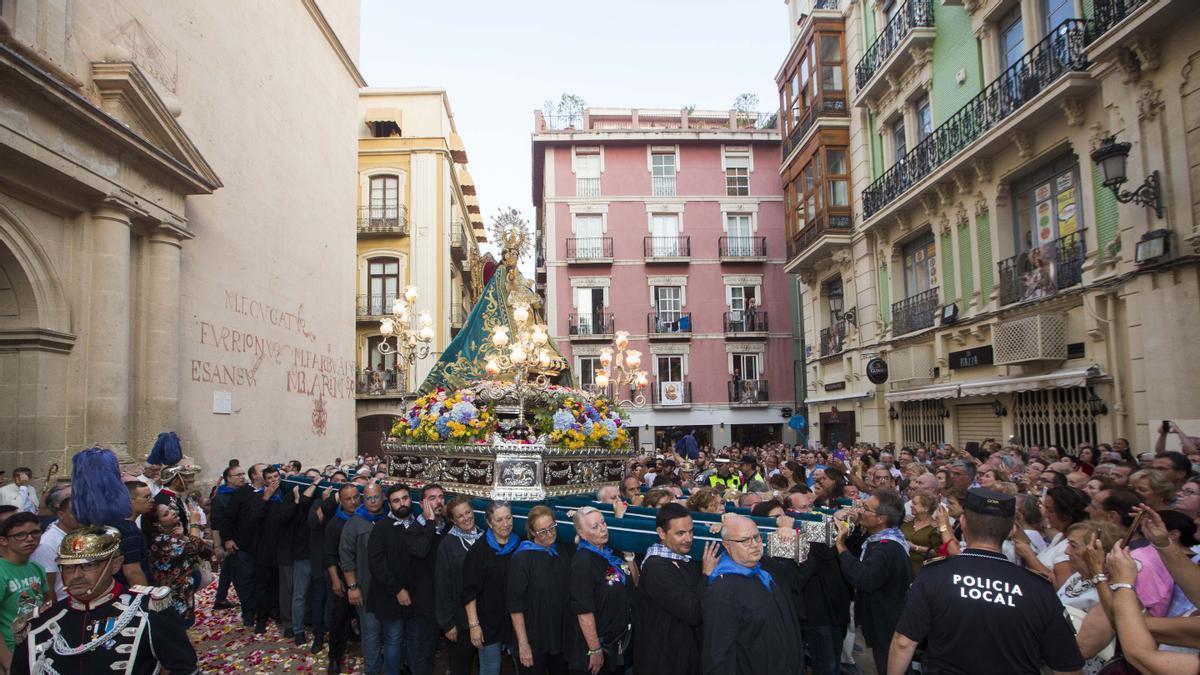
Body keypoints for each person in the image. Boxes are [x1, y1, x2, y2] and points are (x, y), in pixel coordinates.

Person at [886, 488, 1085, 675]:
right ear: (1011, 532)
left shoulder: (935, 575)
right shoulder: (1039, 589)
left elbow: (904, 642)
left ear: (963, 523)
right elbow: (1067, 665)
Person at [10, 525, 198, 675]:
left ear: (115, 565)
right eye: (68, 568)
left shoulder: (148, 610)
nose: (76, 576)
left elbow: (184, 668)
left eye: (88, 566)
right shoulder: (40, 623)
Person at [702, 514, 804, 675]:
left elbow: (801, 575)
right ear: (727, 546)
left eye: (756, 537)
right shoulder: (723, 589)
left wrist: (795, 540)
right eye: (744, 540)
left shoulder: (766, 569)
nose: (755, 544)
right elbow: (717, 654)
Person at [368, 484, 444, 675]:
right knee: (394, 639)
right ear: (390, 504)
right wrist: (397, 590)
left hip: (416, 598)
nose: (401, 503)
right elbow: (377, 564)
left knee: (414, 641)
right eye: (396, 500)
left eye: (405, 498)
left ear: (411, 500)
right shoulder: (382, 528)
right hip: (391, 596)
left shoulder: (418, 524)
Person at [835, 489, 913, 675]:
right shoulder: (885, 538)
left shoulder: (886, 548)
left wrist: (840, 545)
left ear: (881, 519)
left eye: (866, 509)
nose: (860, 511)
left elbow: (864, 578)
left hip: (887, 623)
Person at [635, 503, 718, 675]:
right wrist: (707, 574)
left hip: (685, 654)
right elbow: (693, 613)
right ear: (661, 533)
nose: (688, 538)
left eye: (691, 531)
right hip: (666, 661)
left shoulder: (683, 557)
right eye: (680, 533)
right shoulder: (655, 568)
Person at [569, 506, 634, 675]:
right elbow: (584, 610)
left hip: (618, 642)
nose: (603, 529)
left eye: (603, 523)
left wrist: (629, 558)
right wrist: (595, 649)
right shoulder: (583, 562)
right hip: (598, 647)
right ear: (582, 534)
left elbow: (634, 583)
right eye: (595, 526)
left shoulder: (610, 553)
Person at [508, 505, 572, 675]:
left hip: (560, 637)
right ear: (532, 532)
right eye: (542, 531)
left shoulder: (562, 551)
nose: (549, 534)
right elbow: (515, 605)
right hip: (534, 638)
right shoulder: (522, 558)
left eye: (552, 528)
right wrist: (523, 644)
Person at [463, 501, 520, 675]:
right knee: (490, 669)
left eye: (508, 518)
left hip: (516, 620)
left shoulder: (520, 545)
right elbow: (469, 591)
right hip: (488, 622)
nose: (505, 524)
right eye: (499, 520)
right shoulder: (478, 551)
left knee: (524, 666)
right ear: (489, 523)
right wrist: (474, 625)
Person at [341, 481, 388, 674]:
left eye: (376, 496)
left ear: (383, 497)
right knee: (371, 634)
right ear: (364, 499)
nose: (372, 501)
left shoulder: (390, 517)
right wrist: (352, 587)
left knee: (392, 634)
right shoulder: (354, 523)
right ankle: (373, 670)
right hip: (366, 590)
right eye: (368, 497)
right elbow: (346, 557)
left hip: (391, 590)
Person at [436, 495, 484, 675]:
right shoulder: (447, 545)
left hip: (485, 616)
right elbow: (442, 585)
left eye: (468, 512)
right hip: (460, 620)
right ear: (453, 520)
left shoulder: (485, 537)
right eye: (460, 516)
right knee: (461, 667)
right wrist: (448, 624)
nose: (466, 518)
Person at [142, 501, 210, 626]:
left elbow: (200, 549)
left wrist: (183, 535)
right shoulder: (160, 541)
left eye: (171, 509)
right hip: (174, 595)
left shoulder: (171, 537)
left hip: (184, 591)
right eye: (166, 514)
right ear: (157, 524)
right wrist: (194, 523)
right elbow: (195, 546)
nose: (173, 513)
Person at [218, 462, 269, 628]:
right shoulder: (242, 493)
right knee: (245, 580)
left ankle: (264, 611)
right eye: (263, 471)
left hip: (264, 546)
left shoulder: (275, 492)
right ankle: (249, 613)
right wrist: (227, 539)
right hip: (243, 545)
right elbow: (228, 518)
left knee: (262, 581)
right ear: (254, 475)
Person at [0, 513, 47, 670]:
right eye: (20, 535)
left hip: (35, 649)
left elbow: (45, 603)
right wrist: (8, 663)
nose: (30, 539)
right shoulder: (2, 571)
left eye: (35, 532)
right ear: (3, 540)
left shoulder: (37, 568)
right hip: (11, 651)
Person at [326, 483, 362, 675]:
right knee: (339, 620)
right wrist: (335, 579)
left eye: (356, 497)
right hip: (342, 578)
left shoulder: (367, 517)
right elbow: (330, 555)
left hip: (365, 578)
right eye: (348, 499)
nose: (353, 502)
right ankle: (334, 657)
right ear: (341, 500)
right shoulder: (335, 524)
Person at [30, 485, 75, 602]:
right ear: (61, 514)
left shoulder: (79, 534)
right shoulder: (46, 544)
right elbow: (48, 591)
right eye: (75, 513)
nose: (82, 517)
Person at [210, 463, 245, 611]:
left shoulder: (245, 493)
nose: (243, 477)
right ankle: (246, 602)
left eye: (244, 474)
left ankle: (220, 598)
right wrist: (217, 546)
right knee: (237, 571)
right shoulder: (221, 498)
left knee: (228, 569)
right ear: (228, 479)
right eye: (239, 475)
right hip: (229, 540)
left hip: (240, 538)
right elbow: (216, 524)